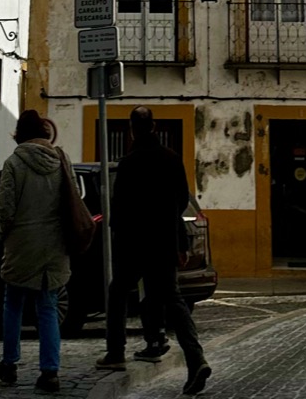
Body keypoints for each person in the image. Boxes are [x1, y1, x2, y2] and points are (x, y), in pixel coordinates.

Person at [96, 108, 210, 396]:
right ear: (154, 126)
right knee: (173, 299)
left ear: (133, 129)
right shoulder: (171, 159)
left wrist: (119, 241)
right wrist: (180, 244)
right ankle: (195, 358)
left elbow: (119, 208)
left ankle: (116, 351)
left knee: (118, 290)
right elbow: (180, 201)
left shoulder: (129, 163)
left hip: (133, 243)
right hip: (163, 242)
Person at [0, 110, 81, 393]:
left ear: (19, 134)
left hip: (22, 244)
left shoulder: (14, 163)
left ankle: (9, 363)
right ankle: (50, 371)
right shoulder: (61, 159)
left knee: (13, 303)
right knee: (48, 307)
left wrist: (4, 235)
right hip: (55, 245)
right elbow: (74, 196)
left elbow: (6, 207)